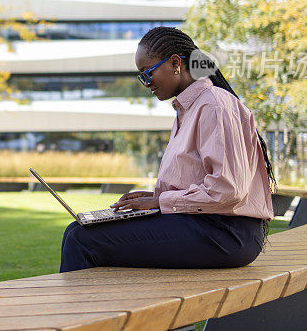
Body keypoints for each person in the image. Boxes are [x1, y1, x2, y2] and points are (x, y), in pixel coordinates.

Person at [60, 26, 275, 272]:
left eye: (147, 73)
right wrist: (153, 198)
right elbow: (196, 181)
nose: (146, 83)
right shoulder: (189, 109)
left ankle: (83, 310)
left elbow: (227, 190)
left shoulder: (214, 105)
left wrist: (161, 201)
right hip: (204, 225)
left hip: (226, 233)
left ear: (175, 63)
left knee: (82, 240)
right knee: (79, 229)